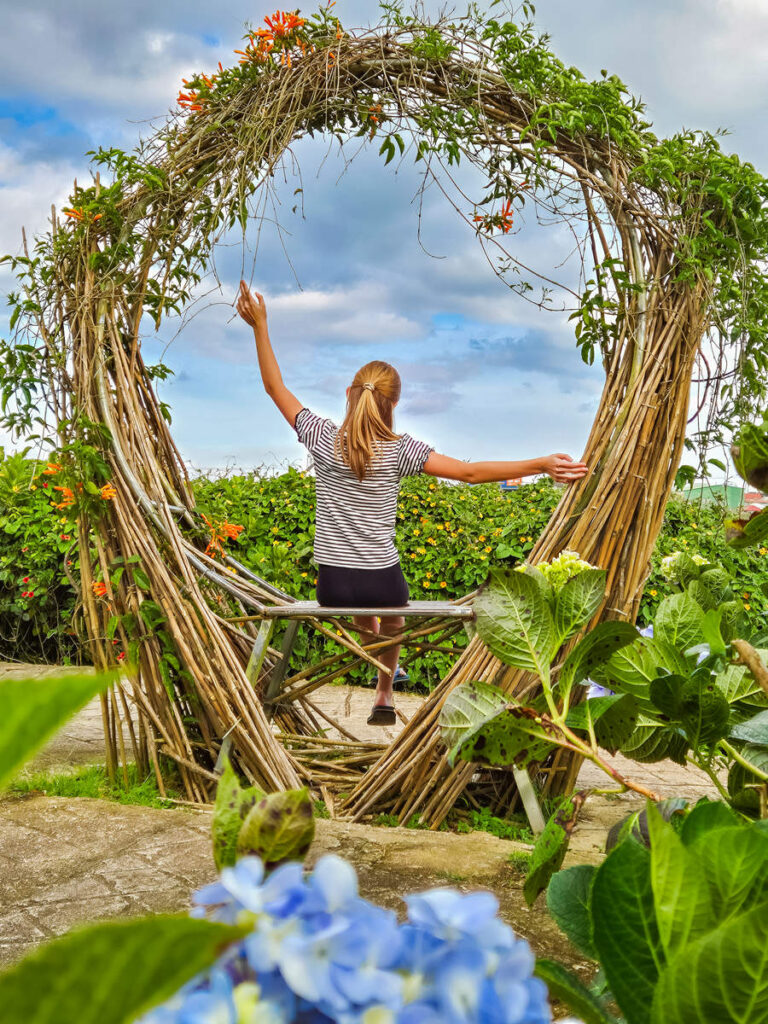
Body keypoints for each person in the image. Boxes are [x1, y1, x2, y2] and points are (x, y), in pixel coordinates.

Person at [236, 281, 589, 725]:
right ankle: (385, 693)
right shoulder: (400, 450)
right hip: (382, 582)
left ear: (349, 393)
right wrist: (539, 463)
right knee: (392, 614)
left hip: (332, 585)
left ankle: (381, 662)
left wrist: (261, 324)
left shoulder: (321, 437)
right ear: (394, 403)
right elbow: (469, 472)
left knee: (364, 614)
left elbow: (274, 386)